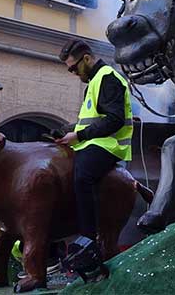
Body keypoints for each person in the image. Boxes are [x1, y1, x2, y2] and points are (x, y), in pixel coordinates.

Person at [54, 39, 133, 242]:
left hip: (110, 145)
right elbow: (89, 121)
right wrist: (65, 131)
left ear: (87, 58)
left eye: (74, 68)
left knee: (82, 177)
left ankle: (88, 239)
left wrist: (78, 136)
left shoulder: (108, 78)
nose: (73, 73)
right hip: (93, 142)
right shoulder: (95, 81)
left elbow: (114, 120)